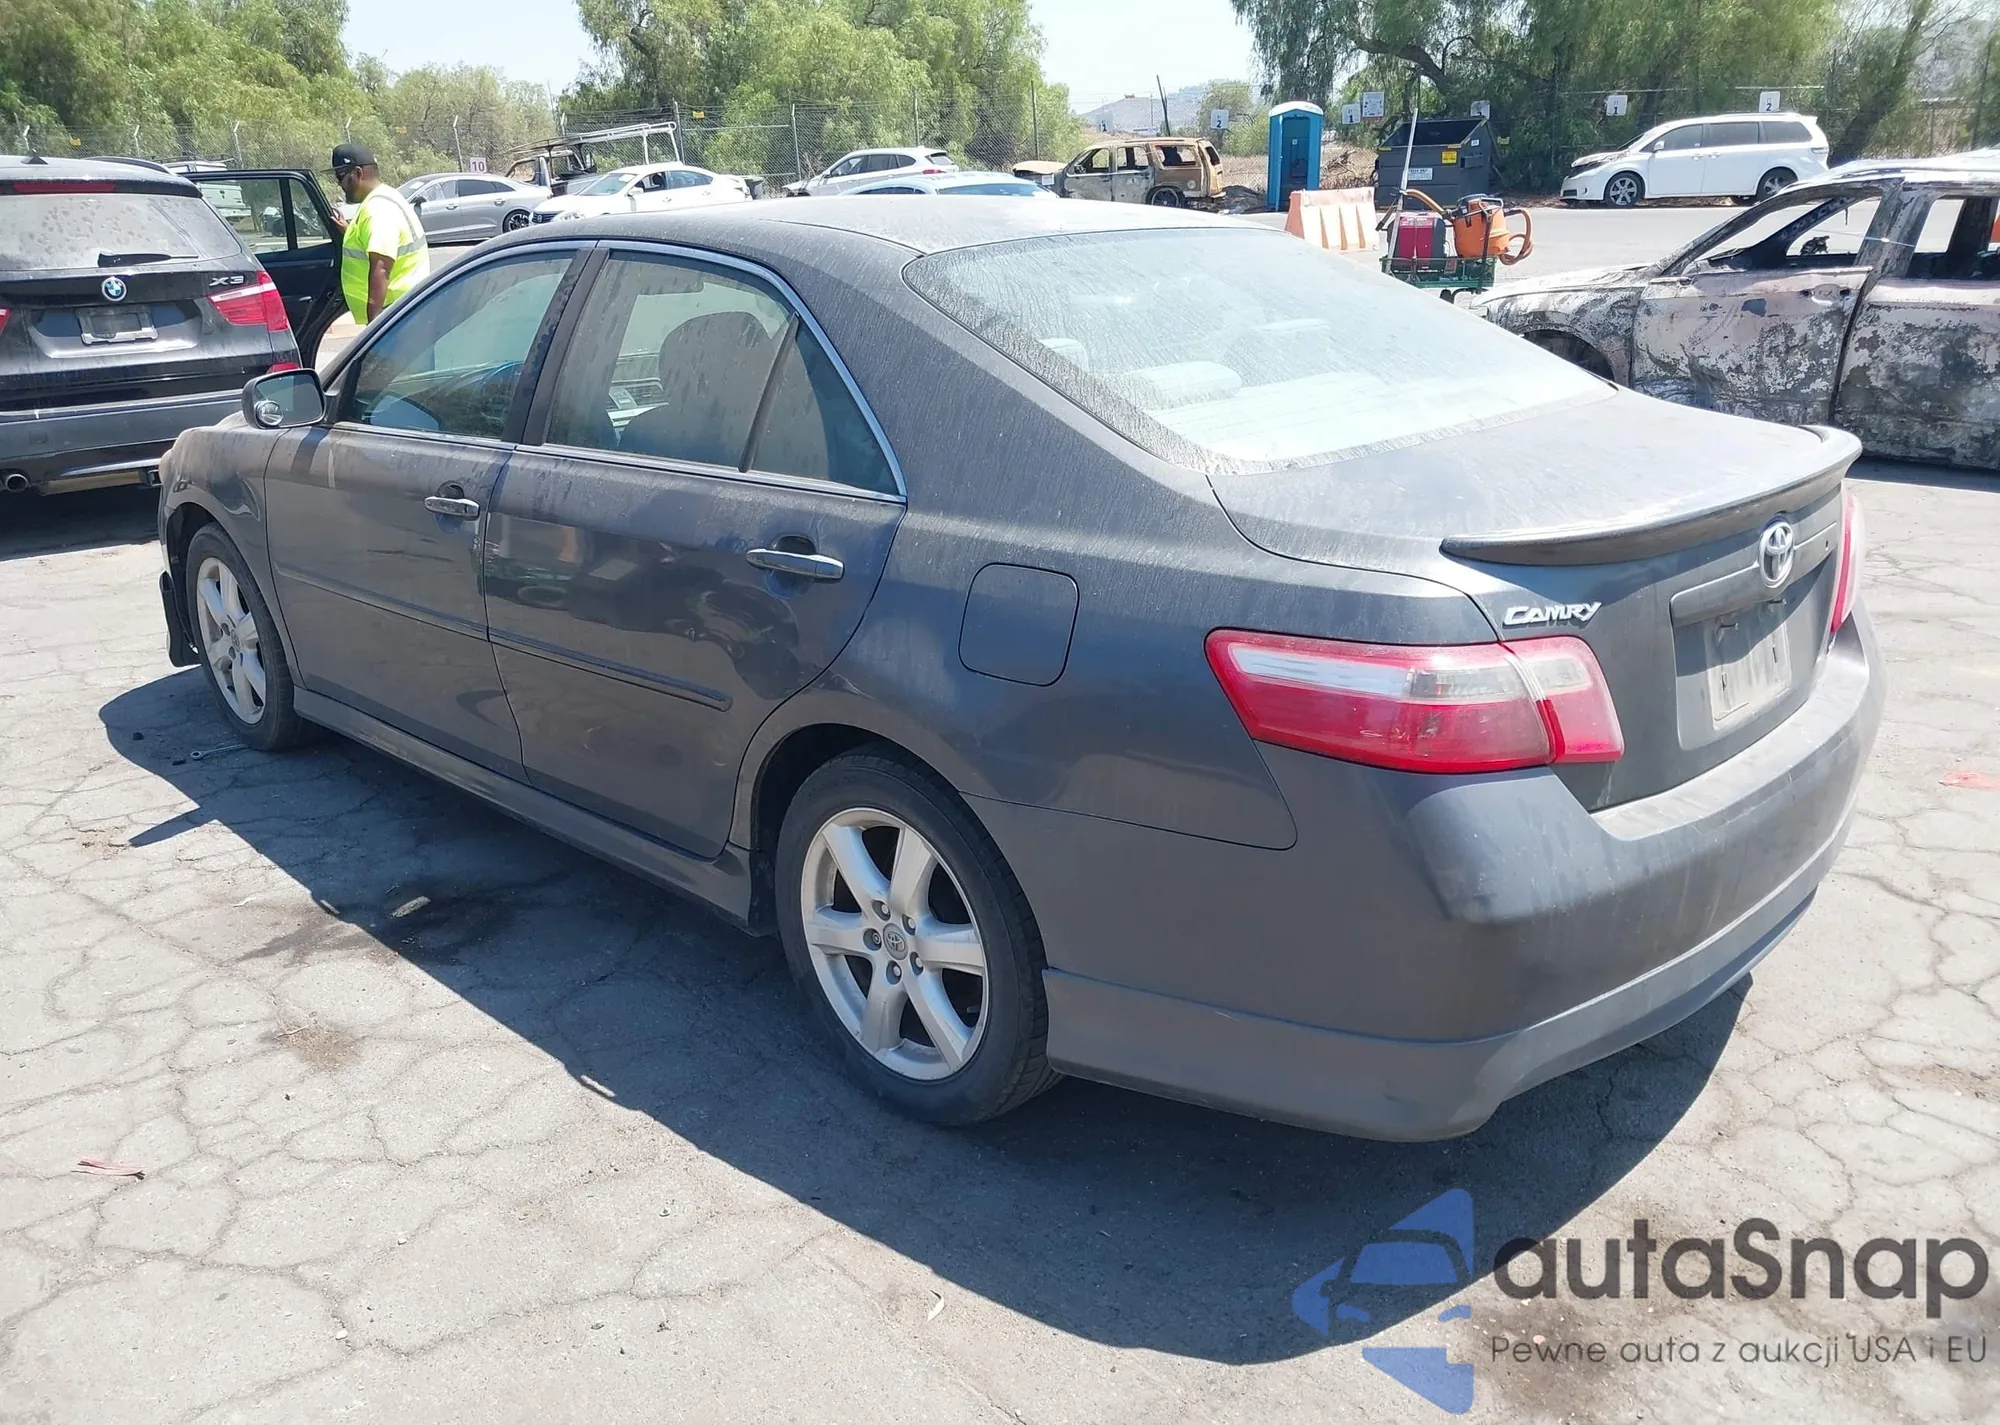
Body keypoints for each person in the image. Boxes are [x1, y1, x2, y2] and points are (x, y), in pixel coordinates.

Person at [330, 142, 429, 325]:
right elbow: (373, 242)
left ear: (357, 173)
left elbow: (381, 269)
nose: (339, 183)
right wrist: (347, 230)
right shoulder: (386, 196)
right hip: (404, 310)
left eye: (340, 175)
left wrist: (375, 326)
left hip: (393, 314)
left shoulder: (378, 209)